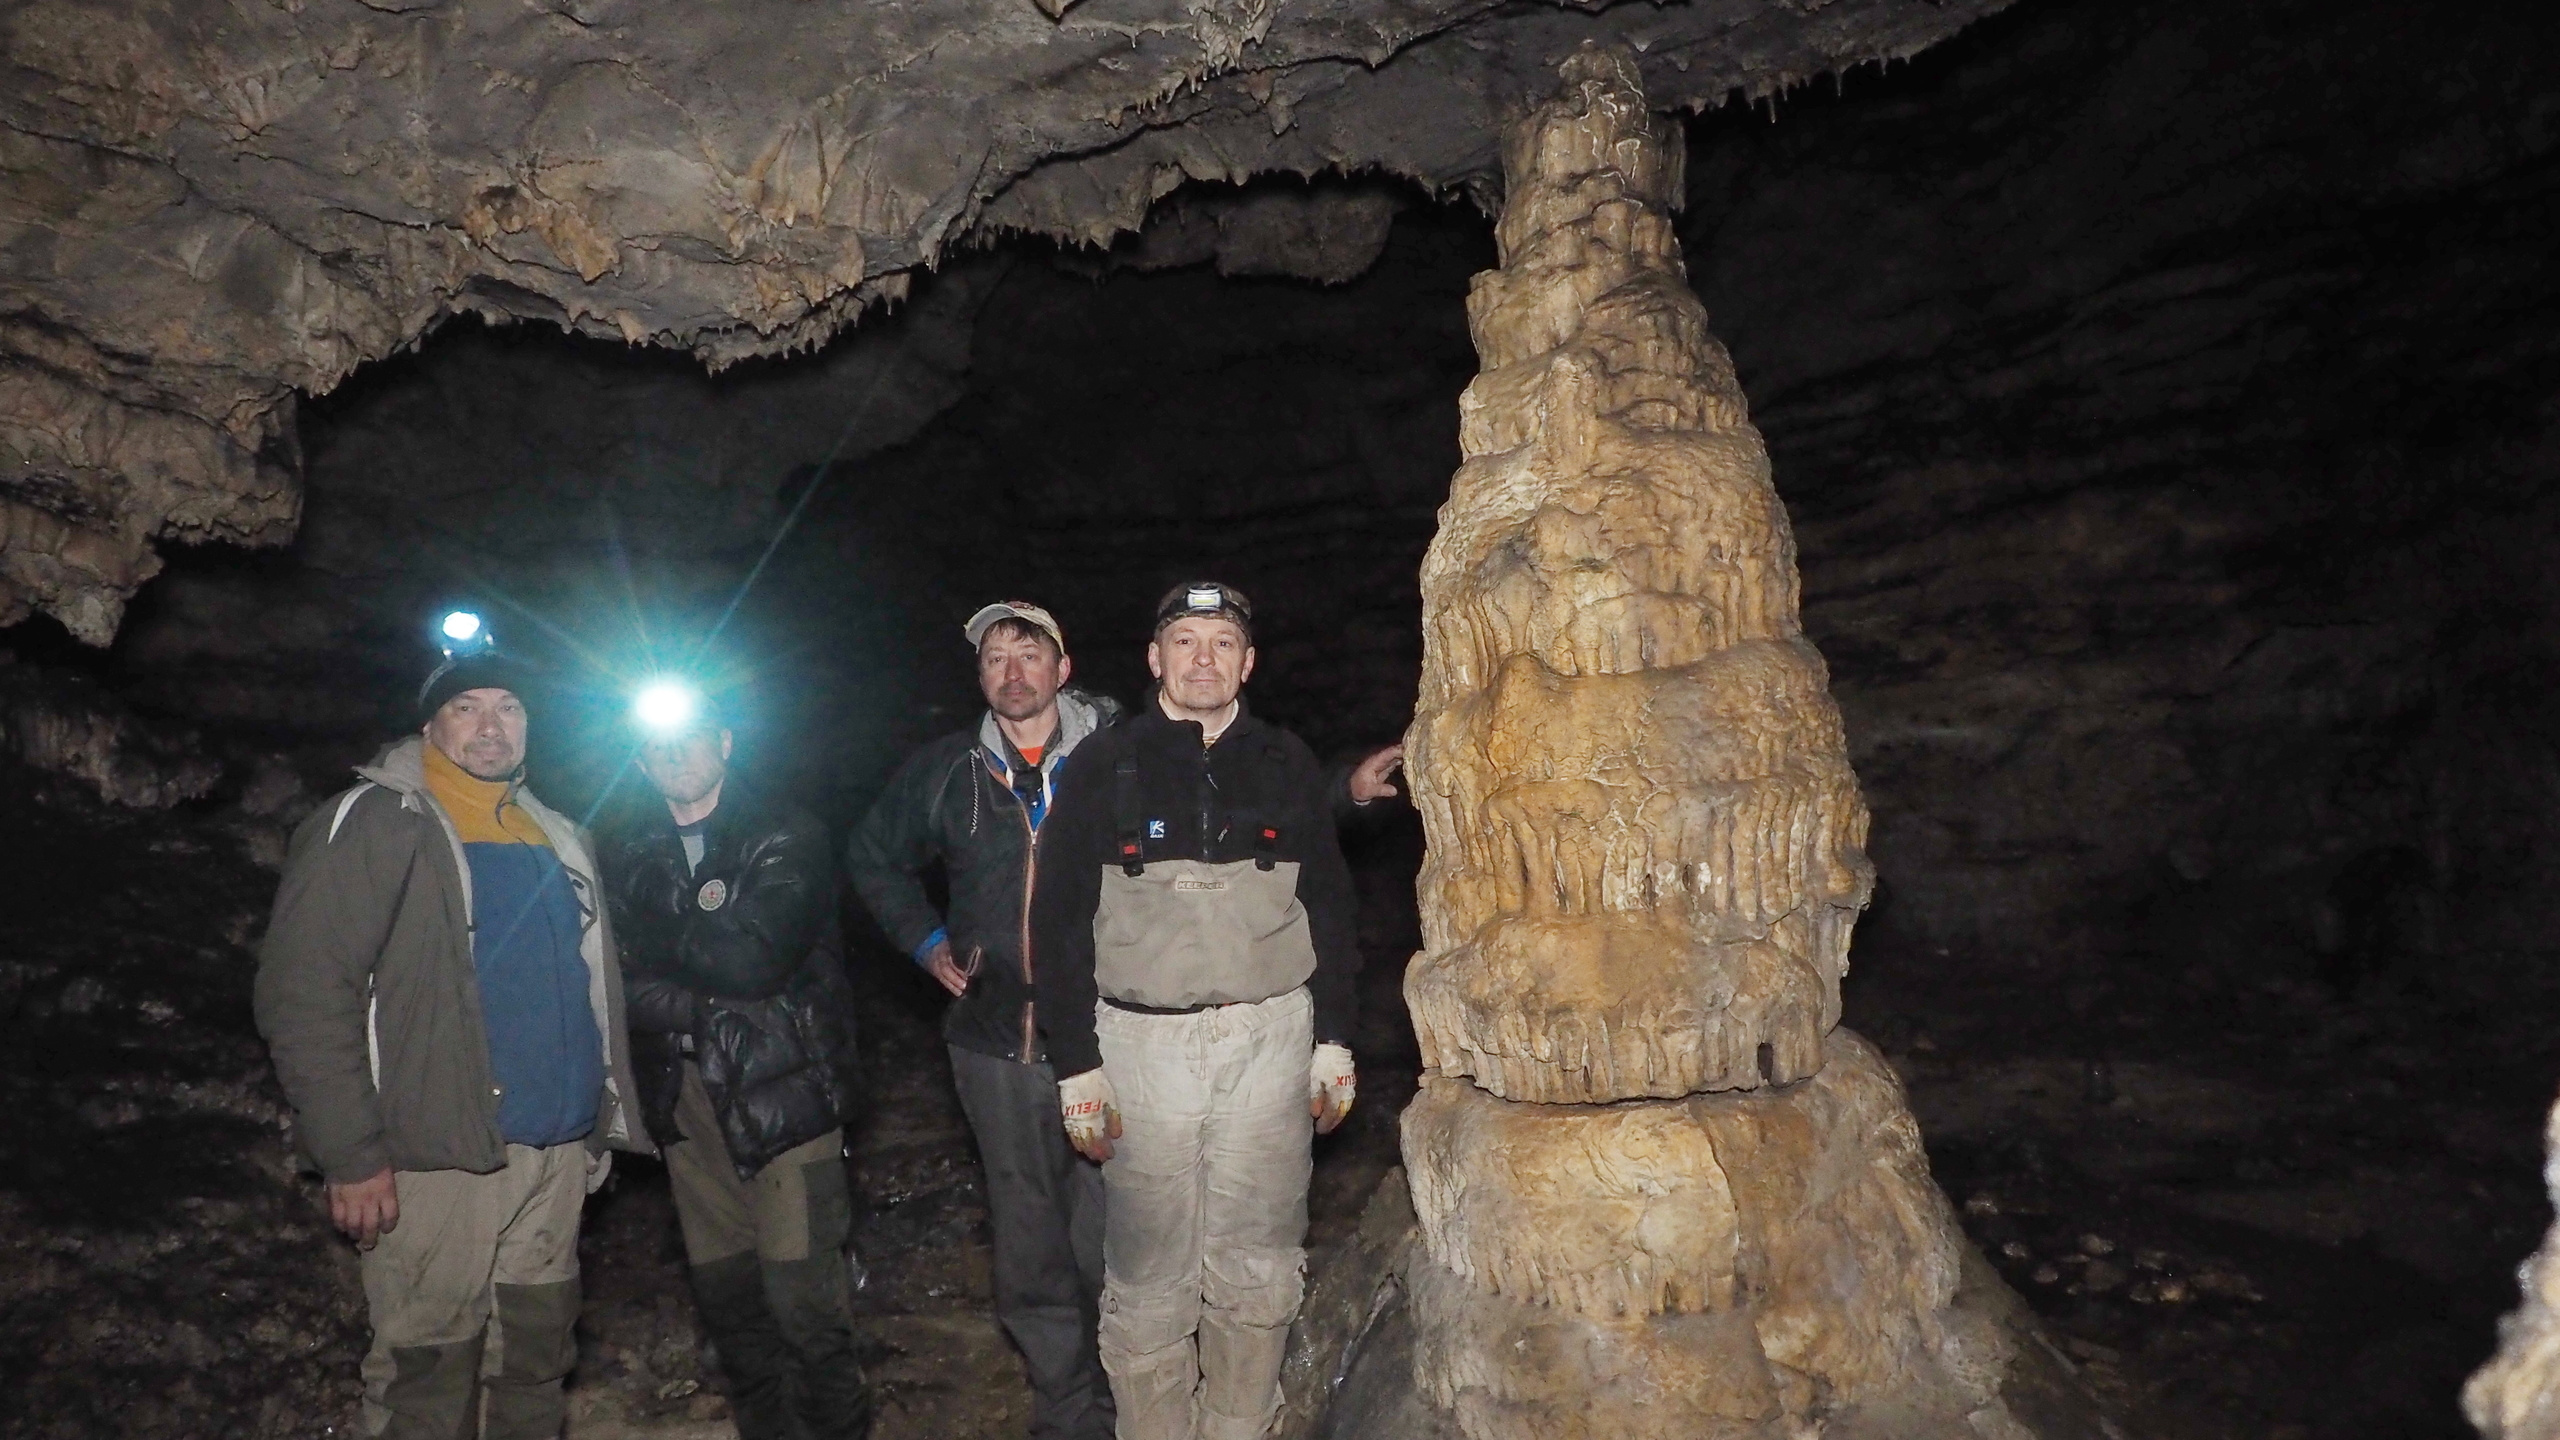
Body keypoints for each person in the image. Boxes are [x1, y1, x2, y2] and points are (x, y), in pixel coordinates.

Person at [255, 648, 650, 1440]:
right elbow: (304, 993)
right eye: (467, 707)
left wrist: (600, 1120)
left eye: (509, 707)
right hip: (436, 1159)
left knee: (534, 1364)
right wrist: (350, 1153)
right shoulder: (374, 823)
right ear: (429, 726)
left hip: (555, 1154)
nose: (490, 724)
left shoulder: (558, 834)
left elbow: (587, 986)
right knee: (426, 1383)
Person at [1028, 581, 1362, 1440]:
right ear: (1155, 659)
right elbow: (1056, 920)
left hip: (1270, 1040)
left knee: (1258, 1264)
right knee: (1148, 1275)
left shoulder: (1286, 761)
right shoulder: (1103, 764)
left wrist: (1335, 1040)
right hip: (1143, 1049)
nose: (1203, 658)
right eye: (1185, 640)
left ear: (1248, 663)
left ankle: (1240, 1426)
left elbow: (1331, 905)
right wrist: (1077, 1065)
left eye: (1222, 642)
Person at [846, 601, 1122, 1440]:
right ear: (979, 676)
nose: (1012, 671)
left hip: (1110, 1038)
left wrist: (1341, 789)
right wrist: (927, 942)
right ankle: (1066, 1413)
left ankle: (1129, 1398)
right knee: (1030, 1240)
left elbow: (1234, 809)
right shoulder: (947, 770)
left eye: (1029, 653)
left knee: (1114, 1233)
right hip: (995, 1043)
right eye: (995, 657)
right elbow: (872, 856)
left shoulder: (1122, 755)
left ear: (1063, 669)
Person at [602, 691, 871, 1440]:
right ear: (639, 759)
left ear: (724, 741)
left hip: (786, 1093)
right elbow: (612, 978)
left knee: (804, 1303)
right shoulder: (624, 848)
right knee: (733, 1306)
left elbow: (752, 959)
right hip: (684, 1100)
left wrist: (657, 941)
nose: (675, 751)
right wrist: (694, 975)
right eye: (658, 741)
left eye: (691, 735)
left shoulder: (785, 831)